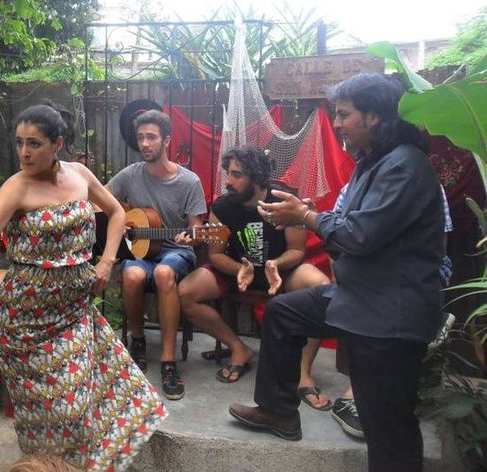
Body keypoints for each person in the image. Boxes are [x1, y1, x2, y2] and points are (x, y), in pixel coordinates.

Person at [229, 73, 444, 472]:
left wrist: (307, 216)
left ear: (375, 117)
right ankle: (279, 411)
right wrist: (310, 216)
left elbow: (360, 235)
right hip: (359, 297)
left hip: (388, 316)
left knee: (386, 424)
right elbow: (345, 226)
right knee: (284, 313)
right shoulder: (371, 164)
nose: (338, 123)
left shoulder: (404, 167)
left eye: (344, 114)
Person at [0, 103, 165, 471]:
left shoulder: (80, 175)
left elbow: (117, 213)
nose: (25, 153)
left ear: (57, 143)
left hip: (74, 313)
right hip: (24, 324)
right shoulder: (16, 189)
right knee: (50, 417)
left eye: (35, 144)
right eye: (19, 143)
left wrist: (106, 261)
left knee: (84, 404)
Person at [178, 146, 332, 409]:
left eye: (236, 175)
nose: (228, 181)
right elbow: (215, 255)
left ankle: (303, 373)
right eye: (228, 173)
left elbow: (297, 250)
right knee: (186, 292)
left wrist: (275, 263)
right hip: (239, 270)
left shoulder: (284, 200)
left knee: (323, 290)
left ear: (256, 178)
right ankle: (239, 348)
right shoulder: (223, 207)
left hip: (282, 269)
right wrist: (239, 268)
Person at [330, 182, 455, 439]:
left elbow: (438, 249)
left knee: (382, 311)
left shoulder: (426, 185)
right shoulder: (351, 189)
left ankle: (367, 395)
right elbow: (336, 243)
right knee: (351, 301)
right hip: (366, 279)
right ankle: (363, 393)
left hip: (414, 280)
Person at [106, 109, 207, 401]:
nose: (145, 143)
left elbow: (197, 229)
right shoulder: (130, 175)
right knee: (133, 274)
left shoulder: (189, 181)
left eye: (152, 137)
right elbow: (101, 199)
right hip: (142, 252)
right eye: (141, 138)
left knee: (164, 274)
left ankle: (167, 360)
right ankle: (137, 341)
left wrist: (192, 236)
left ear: (166, 141)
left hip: (176, 250)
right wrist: (119, 219)